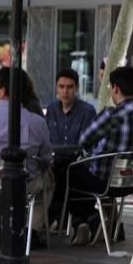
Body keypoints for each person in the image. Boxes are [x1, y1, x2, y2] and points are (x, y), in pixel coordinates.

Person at [67, 66, 133, 246]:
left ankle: (90, 220)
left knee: (68, 173)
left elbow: (83, 139)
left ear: (115, 89)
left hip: (105, 181)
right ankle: (108, 225)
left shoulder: (112, 115)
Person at [0, 67, 53, 248]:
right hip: (25, 185)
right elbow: (46, 157)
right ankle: (32, 229)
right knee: (49, 181)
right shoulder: (36, 122)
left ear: (3, 89)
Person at [45, 68, 96, 225]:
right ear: (56, 88)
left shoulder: (87, 111)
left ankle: (56, 216)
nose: (65, 91)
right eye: (61, 87)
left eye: (69, 87)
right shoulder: (52, 109)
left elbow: (87, 145)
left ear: (77, 88)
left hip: (79, 164)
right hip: (56, 162)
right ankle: (84, 218)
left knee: (63, 174)